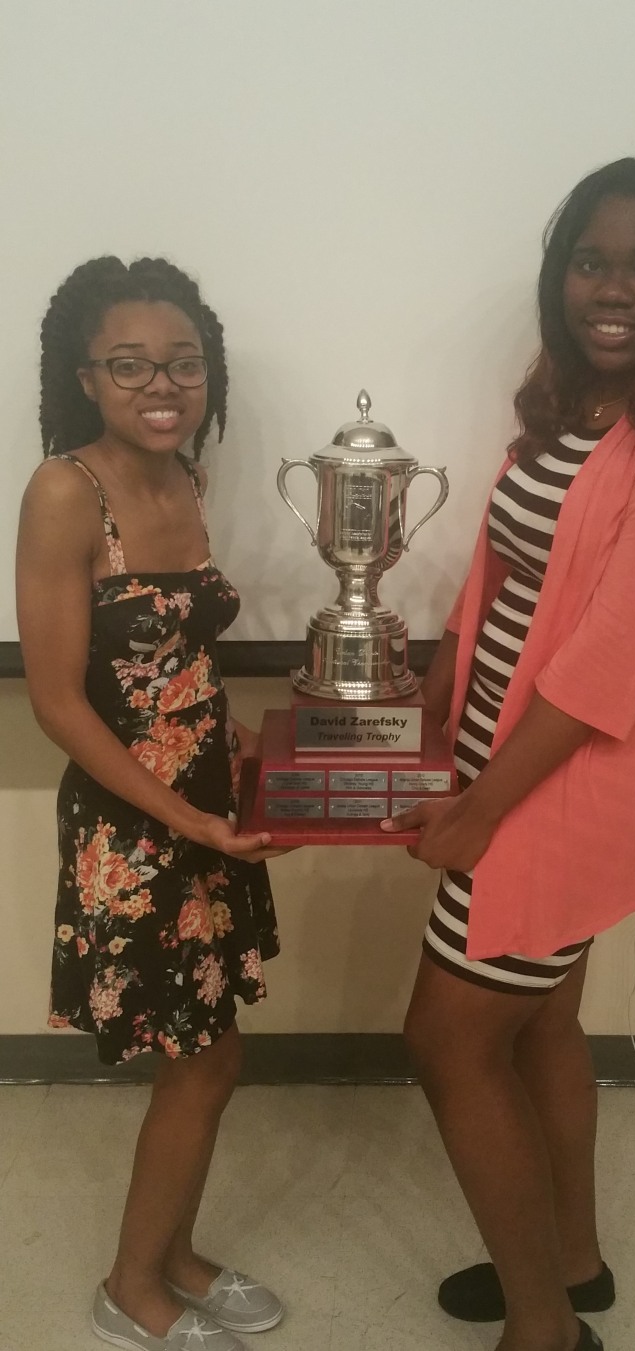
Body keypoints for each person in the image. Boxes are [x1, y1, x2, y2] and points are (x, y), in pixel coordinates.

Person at [383, 157, 635, 1351]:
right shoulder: (581, 395)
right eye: (591, 261)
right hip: (506, 749)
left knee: (447, 1038)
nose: (613, 288)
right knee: (540, 1020)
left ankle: (543, 1331)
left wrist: (484, 810)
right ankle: (576, 1265)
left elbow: (611, 655)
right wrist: (442, 682)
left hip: (569, 781)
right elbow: (517, 566)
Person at [16, 257, 290, 1351]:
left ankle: (173, 1251)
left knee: (212, 1046)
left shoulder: (190, 478)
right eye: (130, 365)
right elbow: (57, 703)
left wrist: (236, 747)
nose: (161, 384)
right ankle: (132, 1282)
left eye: (183, 362)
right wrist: (185, 819)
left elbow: (170, 660)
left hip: (208, 803)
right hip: (138, 827)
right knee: (201, 1056)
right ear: (85, 377)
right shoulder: (62, 491)